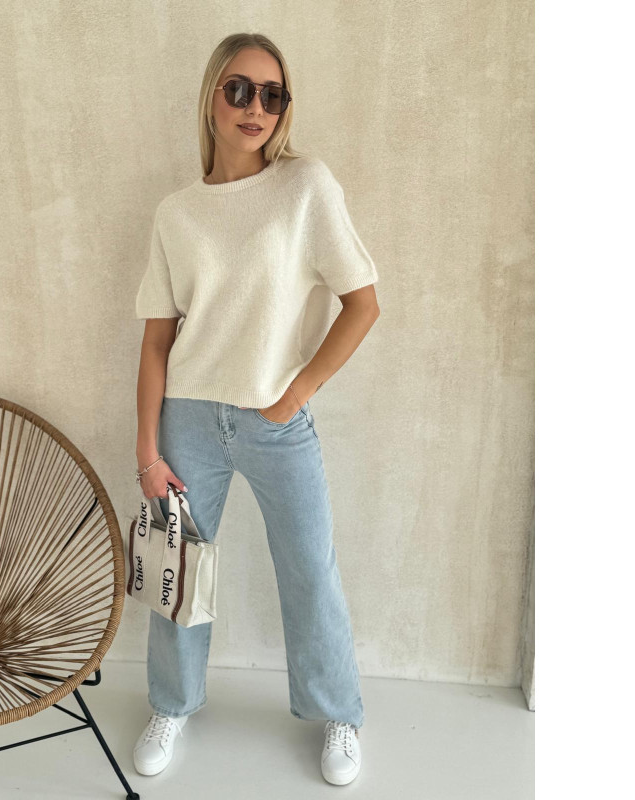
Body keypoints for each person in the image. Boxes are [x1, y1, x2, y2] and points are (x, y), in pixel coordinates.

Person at [132, 32, 380, 788]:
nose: (256, 108)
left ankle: (338, 713)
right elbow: (156, 342)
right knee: (178, 569)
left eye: (273, 95)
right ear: (211, 95)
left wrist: (297, 393)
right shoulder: (177, 213)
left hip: (276, 422)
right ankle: (172, 704)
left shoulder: (305, 187)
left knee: (310, 569)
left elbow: (363, 303)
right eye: (239, 89)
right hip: (188, 417)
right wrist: (147, 450)